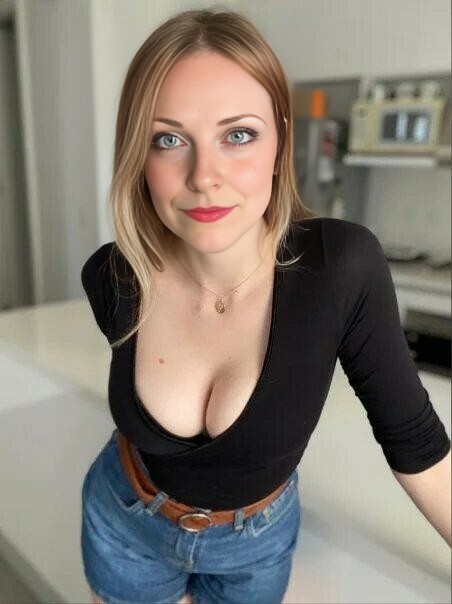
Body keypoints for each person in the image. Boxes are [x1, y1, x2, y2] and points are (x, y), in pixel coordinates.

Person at [79, 8, 451, 604]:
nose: (205, 176)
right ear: (138, 155)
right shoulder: (115, 275)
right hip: (124, 523)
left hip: (254, 548)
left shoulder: (340, 268)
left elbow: (419, 448)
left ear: (280, 139)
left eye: (238, 135)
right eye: (168, 139)